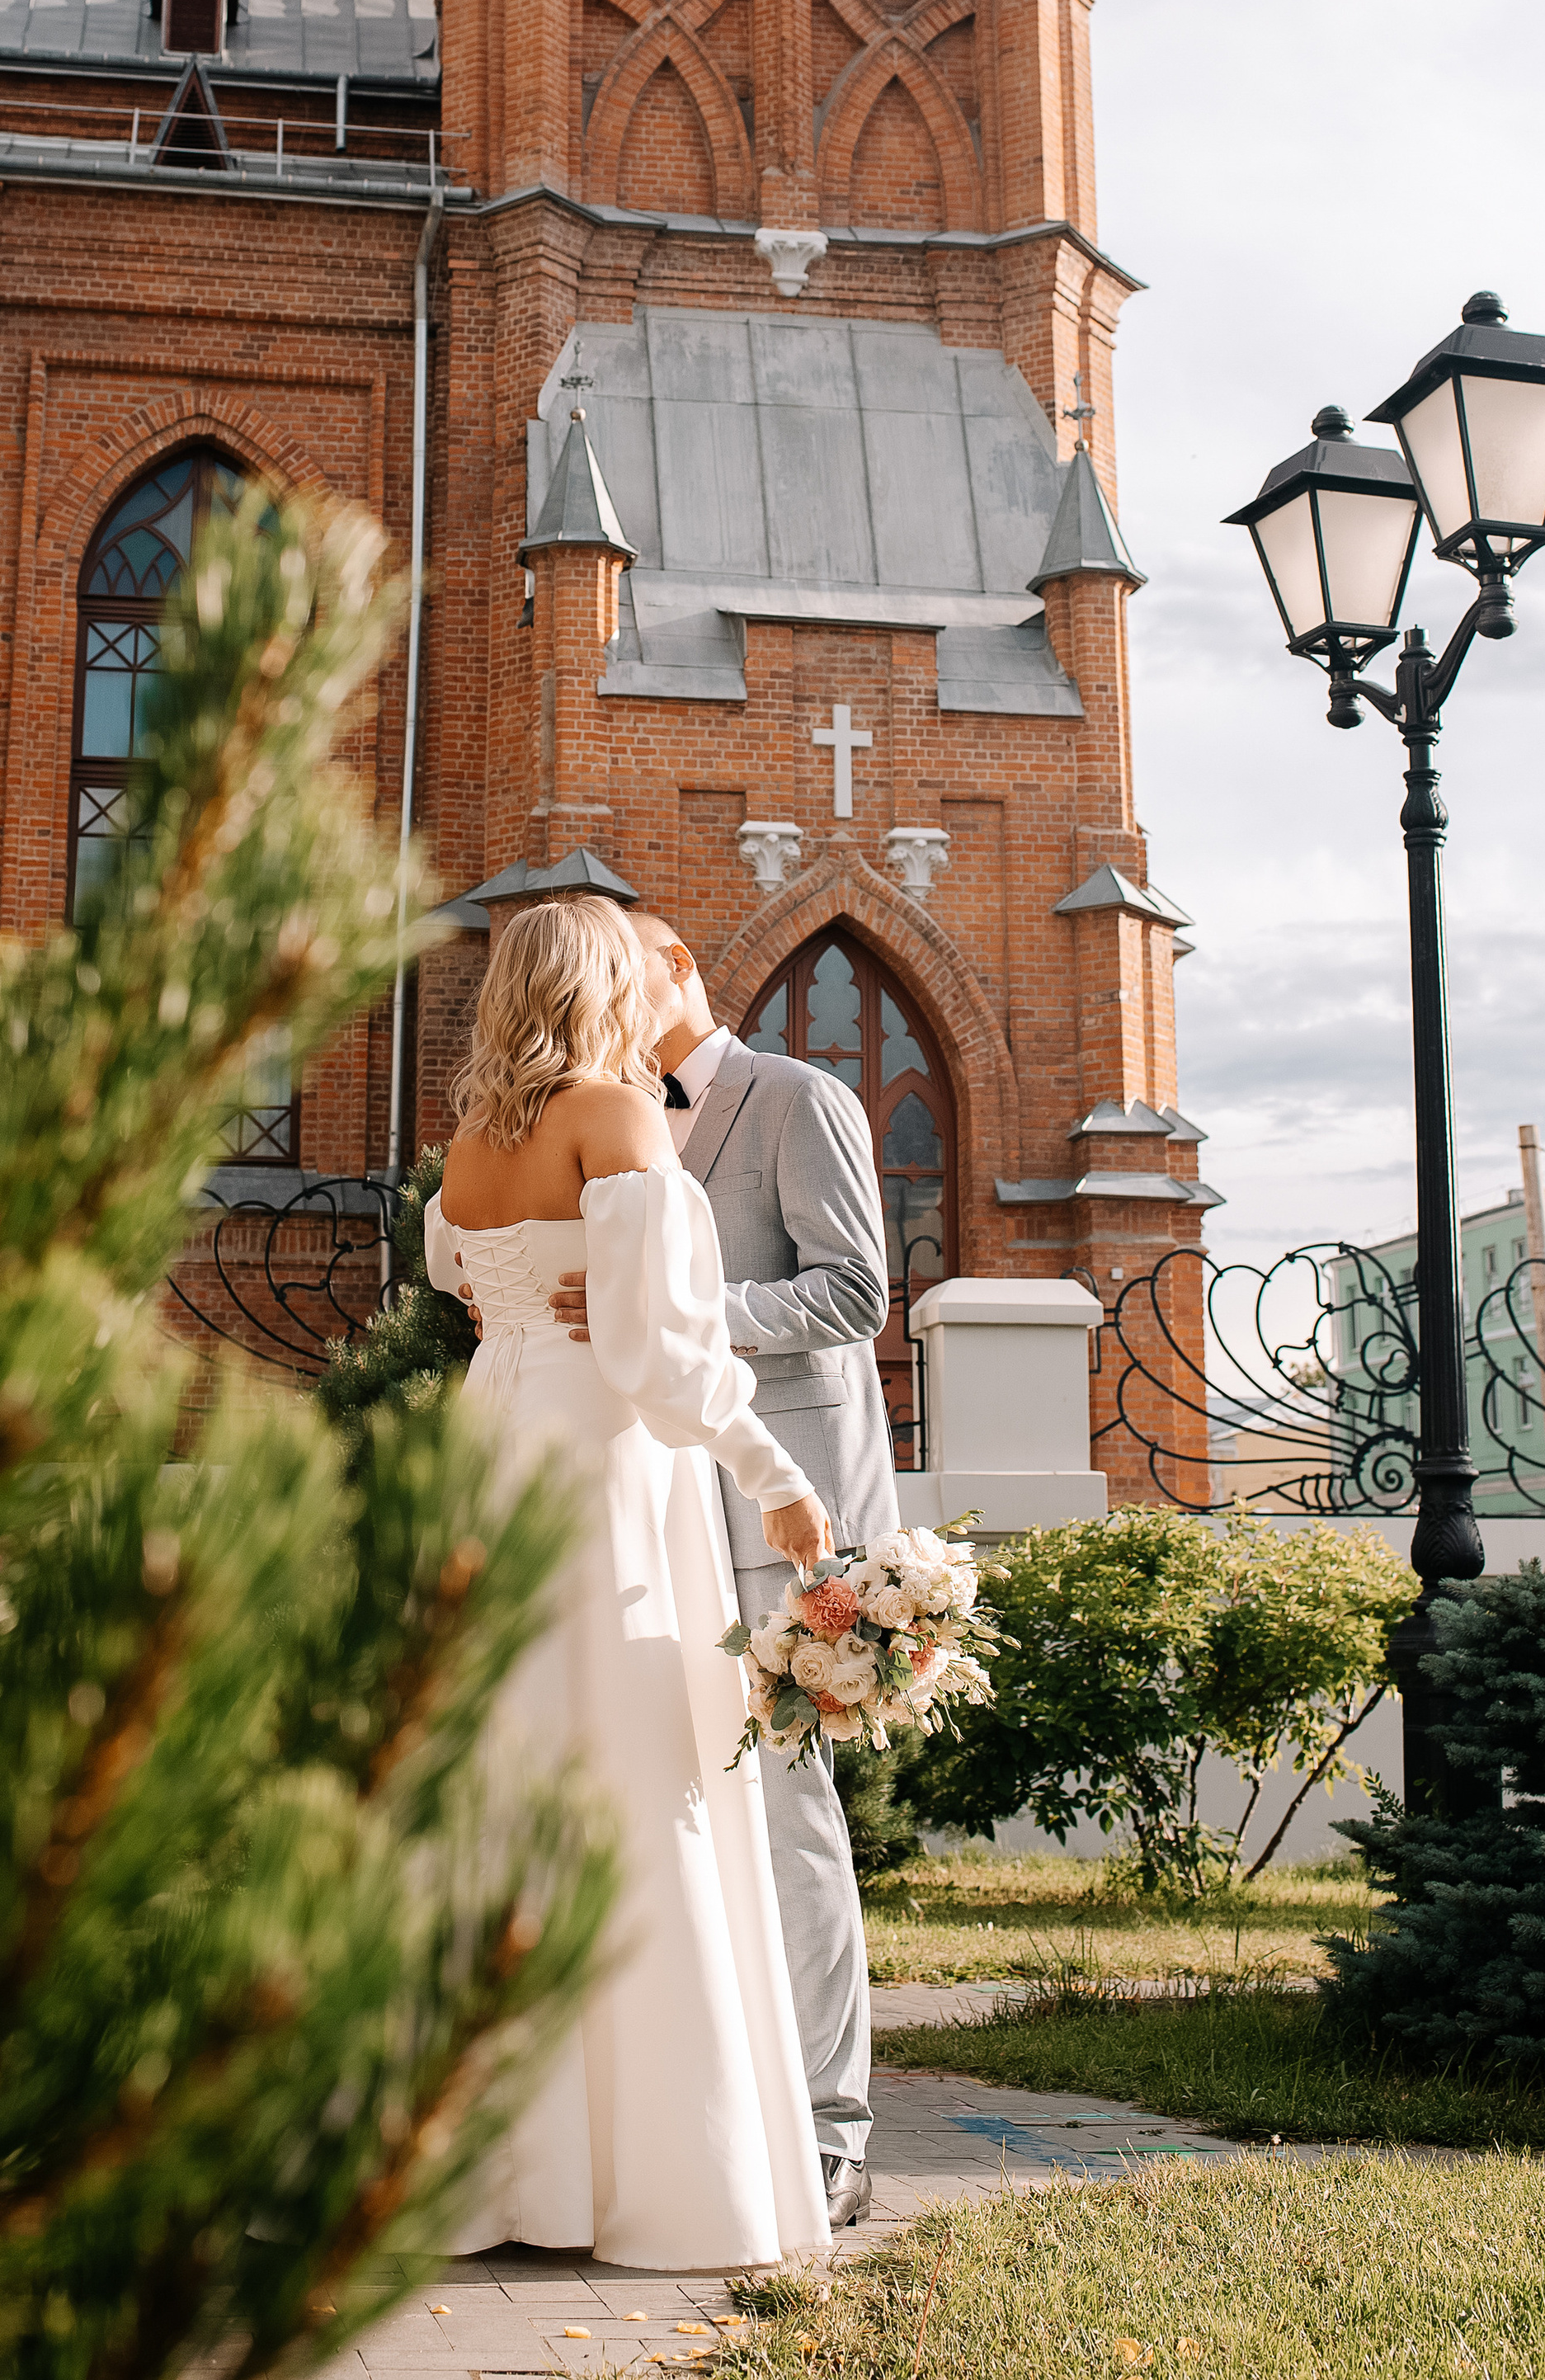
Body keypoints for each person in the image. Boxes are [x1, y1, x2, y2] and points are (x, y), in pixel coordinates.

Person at [427, 894, 833, 2272]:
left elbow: (463, 1281)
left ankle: (484, 2167)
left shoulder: (471, 1143)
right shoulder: (616, 1112)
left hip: (488, 1445)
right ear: (607, 982)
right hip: (599, 1462)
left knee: (499, 1766)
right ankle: (640, 2176)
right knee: (627, 1764)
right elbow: (666, 1354)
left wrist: (536, 1300)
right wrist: (775, 1473)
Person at [542, 912, 895, 2231]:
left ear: (680, 969)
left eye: (622, 977)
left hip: (772, 1520)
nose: (606, 1004)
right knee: (671, 1811)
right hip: (644, 1512)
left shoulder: (798, 1097)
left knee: (794, 1816)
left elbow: (853, 1292)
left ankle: (832, 2131)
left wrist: (681, 1316)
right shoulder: (605, 1114)